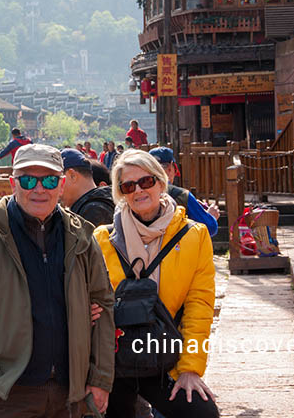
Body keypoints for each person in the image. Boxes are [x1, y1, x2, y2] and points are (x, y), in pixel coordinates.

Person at [0, 143, 115, 417]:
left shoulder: (81, 237)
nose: (39, 189)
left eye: (49, 180)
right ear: (13, 183)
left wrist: (100, 379)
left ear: (62, 184)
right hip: (10, 394)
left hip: (72, 393)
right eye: (28, 180)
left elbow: (103, 304)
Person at [93, 149, 218, 418]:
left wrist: (190, 369)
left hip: (163, 355)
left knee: (202, 412)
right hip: (115, 358)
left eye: (146, 182)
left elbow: (200, 306)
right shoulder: (103, 239)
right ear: (121, 193)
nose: (138, 190)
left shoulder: (193, 236)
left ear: (161, 182)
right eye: (128, 185)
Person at [150, 147, 220, 237]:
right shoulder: (181, 195)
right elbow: (209, 228)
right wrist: (211, 216)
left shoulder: (140, 193)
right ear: (171, 167)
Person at [60, 148, 115, 227]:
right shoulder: (102, 202)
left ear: (72, 175)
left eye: (56, 179)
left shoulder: (93, 212)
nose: (54, 187)